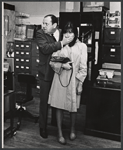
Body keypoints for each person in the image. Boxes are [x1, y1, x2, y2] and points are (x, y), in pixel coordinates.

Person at [48, 22, 87, 144]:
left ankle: (72, 129)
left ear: (75, 34)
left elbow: (83, 67)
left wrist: (80, 83)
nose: (68, 35)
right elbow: (52, 61)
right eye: (66, 32)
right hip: (60, 78)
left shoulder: (81, 46)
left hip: (74, 80)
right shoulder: (60, 45)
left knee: (73, 107)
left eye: (71, 32)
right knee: (59, 106)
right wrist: (62, 65)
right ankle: (59, 132)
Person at [36, 14, 73, 139]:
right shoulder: (40, 33)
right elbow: (46, 49)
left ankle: (54, 122)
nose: (43, 26)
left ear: (54, 25)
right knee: (44, 101)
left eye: (46, 23)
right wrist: (62, 43)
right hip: (46, 72)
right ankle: (43, 127)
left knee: (56, 99)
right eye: (43, 23)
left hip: (56, 72)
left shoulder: (57, 34)